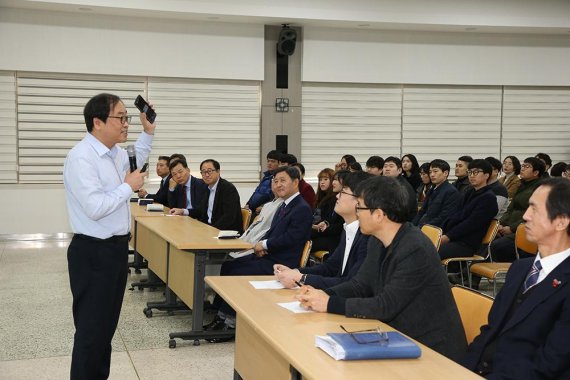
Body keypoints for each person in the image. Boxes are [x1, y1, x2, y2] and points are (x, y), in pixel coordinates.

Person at [295, 176, 467, 361]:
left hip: (431, 351)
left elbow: (386, 305)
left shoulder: (415, 248)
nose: (357, 212)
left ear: (378, 214)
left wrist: (328, 303)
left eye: (359, 207)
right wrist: (321, 294)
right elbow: (360, 285)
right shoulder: (377, 240)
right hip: (396, 336)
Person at [63, 93, 156, 379]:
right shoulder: (82, 158)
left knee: (105, 331)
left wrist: (148, 131)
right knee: (91, 333)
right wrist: (128, 187)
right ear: (97, 122)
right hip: (92, 253)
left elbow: (136, 159)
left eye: (127, 117)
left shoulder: (115, 152)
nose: (126, 123)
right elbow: (95, 207)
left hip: (114, 251)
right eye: (121, 117)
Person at [461, 178, 570, 379]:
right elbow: (489, 332)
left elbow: (551, 364)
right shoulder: (520, 268)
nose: (526, 216)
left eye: (535, 210)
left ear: (561, 221)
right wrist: (460, 371)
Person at [205, 166, 312, 342]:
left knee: (238, 273)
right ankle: (220, 314)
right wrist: (263, 247)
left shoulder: (301, 208)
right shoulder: (284, 205)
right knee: (229, 265)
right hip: (271, 255)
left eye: (283, 181)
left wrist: (264, 245)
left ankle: (230, 323)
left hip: (282, 262)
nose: (278, 185)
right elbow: (273, 233)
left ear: (295, 182)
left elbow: (292, 238)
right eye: (275, 181)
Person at [274, 171, 371, 289]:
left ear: (360, 200)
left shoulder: (368, 237)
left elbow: (352, 284)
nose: (337, 196)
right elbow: (330, 267)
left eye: (343, 192)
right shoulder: (348, 229)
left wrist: (301, 278)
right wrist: (295, 272)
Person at [439, 159, 498, 263]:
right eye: (470, 172)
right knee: (424, 247)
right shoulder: (469, 192)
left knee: (431, 251)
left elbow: (471, 224)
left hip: (468, 243)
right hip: (455, 238)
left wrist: (448, 236)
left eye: (476, 172)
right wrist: (442, 232)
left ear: (486, 175)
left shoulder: (489, 198)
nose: (471, 175)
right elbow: (454, 214)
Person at [491, 157, 546, 262]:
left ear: (536, 172)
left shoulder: (540, 188)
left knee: (496, 246)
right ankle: (470, 274)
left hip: (523, 230)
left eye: (527, 166)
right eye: (523, 165)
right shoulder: (521, 184)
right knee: (486, 240)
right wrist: (500, 225)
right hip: (508, 228)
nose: (523, 168)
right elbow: (510, 209)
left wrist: (511, 228)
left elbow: (533, 214)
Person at [171, 159, 243, 233]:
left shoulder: (228, 188)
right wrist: (183, 211)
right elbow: (201, 211)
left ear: (218, 171)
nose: (207, 175)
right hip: (210, 229)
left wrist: (211, 230)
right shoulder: (207, 188)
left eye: (209, 171)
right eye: (203, 172)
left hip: (226, 233)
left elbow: (229, 216)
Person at [413, 159, 460, 228]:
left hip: (434, 230)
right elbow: (422, 211)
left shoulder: (451, 192)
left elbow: (443, 218)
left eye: (435, 171)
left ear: (445, 173)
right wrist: (412, 226)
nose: (432, 175)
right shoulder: (432, 189)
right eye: (430, 172)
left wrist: (421, 227)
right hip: (423, 226)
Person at [245, 150, 281, 214]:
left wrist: (263, 207)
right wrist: (248, 203)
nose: (269, 163)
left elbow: (275, 198)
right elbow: (256, 191)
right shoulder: (266, 177)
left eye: (273, 161)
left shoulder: (278, 179)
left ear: (279, 163)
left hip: (263, 211)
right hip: (252, 209)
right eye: (268, 161)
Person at [382, 156, 417, 221]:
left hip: (403, 223)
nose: (387, 169)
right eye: (385, 166)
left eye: (391, 166)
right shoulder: (387, 184)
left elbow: (401, 212)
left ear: (399, 170)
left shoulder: (402, 187)